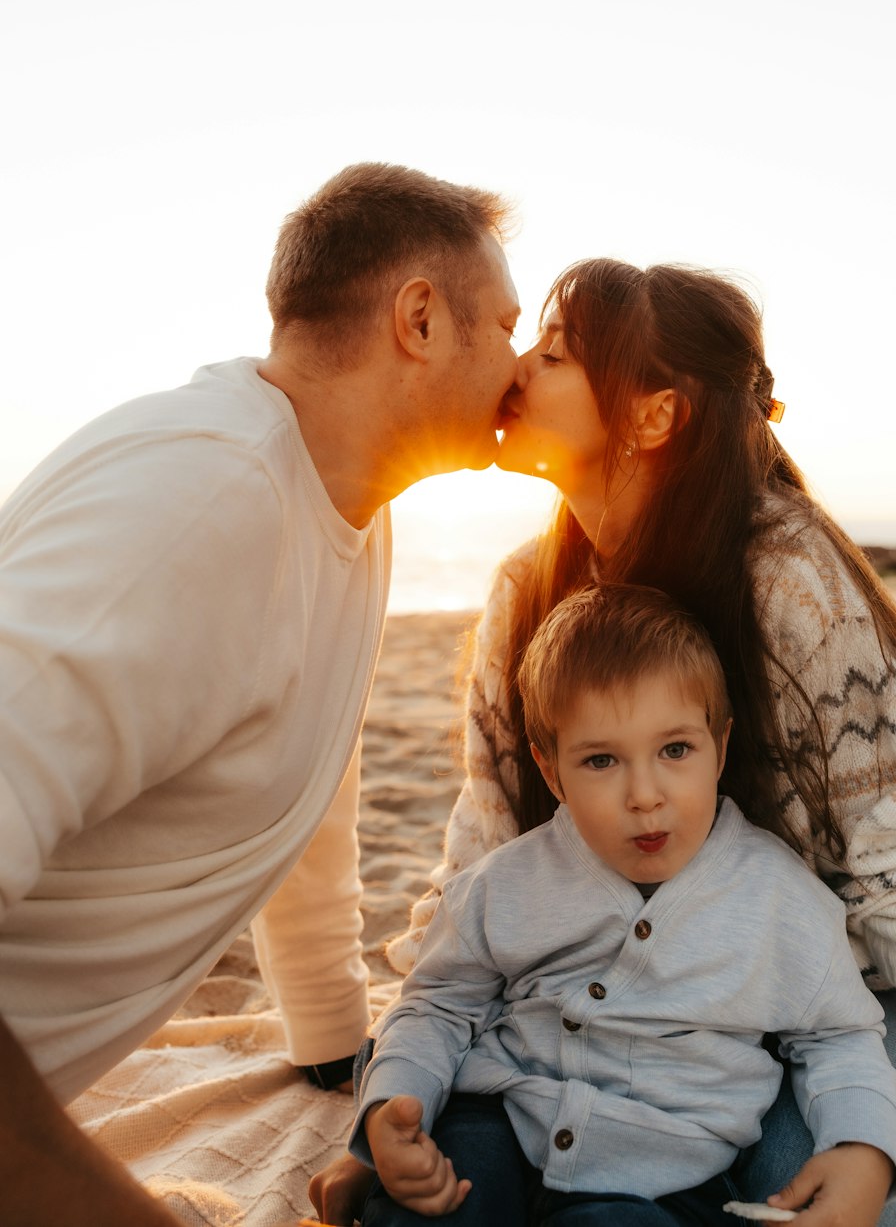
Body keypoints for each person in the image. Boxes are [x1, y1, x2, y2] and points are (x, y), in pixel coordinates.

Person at [311, 258, 896, 1227]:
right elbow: (486, 865)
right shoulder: (523, 595)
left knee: (850, 1207)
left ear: (652, 416)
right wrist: (372, 1129)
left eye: (550, 355)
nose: (515, 369)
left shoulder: (785, 577)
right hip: (595, 1003)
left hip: (820, 993)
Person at [0, 161, 522, 1227]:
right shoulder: (199, 502)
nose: (521, 364)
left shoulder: (346, 500)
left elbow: (308, 773)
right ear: (420, 318)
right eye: (507, 326)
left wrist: (332, 1031)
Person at [350, 584, 896, 1227]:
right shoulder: (502, 884)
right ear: (551, 770)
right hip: (499, 1118)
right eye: (601, 760)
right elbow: (436, 1006)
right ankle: (369, 1185)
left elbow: (840, 1037)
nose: (644, 795)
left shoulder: (780, 898)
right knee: (431, 1212)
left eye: (675, 750)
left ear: (719, 749)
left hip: (663, 1166)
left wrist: (864, 1148)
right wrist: (393, 1104)